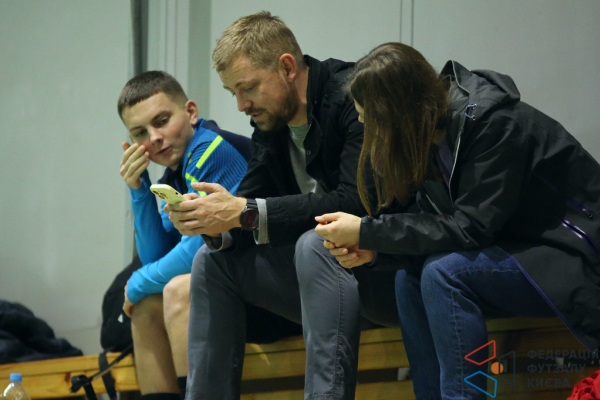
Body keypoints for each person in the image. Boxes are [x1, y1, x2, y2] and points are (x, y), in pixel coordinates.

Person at [315, 42, 600, 399]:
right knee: (409, 279)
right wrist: (376, 250)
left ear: (396, 111)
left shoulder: (492, 124)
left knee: (444, 273)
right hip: (523, 250)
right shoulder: (432, 131)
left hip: (580, 255)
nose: (362, 122)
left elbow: (470, 227)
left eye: (367, 115)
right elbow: (437, 223)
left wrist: (367, 231)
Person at [165, 12, 401, 400]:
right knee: (211, 261)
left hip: (387, 275)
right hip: (318, 287)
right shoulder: (271, 123)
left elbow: (357, 202)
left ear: (287, 68)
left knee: (314, 243)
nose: (241, 105)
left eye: (248, 88)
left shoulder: (353, 96)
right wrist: (212, 221)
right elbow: (247, 206)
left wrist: (244, 212)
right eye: (232, 93)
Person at [117, 70, 250, 400]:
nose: (154, 137)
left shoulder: (211, 149)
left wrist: (136, 282)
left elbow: (196, 253)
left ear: (190, 112)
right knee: (146, 306)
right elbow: (156, 257)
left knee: (179, 289)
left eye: (162, 121)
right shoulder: (174, 175)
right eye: (140, 133)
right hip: (235, 282)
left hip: (276, 281)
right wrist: (139, 189)